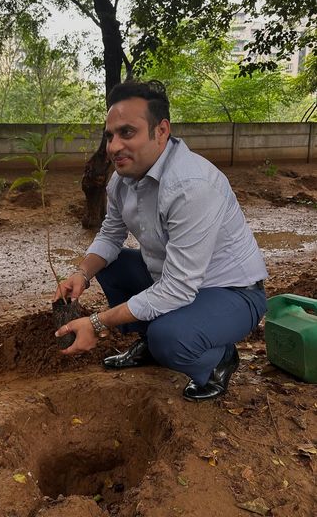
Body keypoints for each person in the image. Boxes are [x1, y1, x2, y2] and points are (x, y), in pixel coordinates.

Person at [54, 79, 267, 401]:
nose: (113, 147)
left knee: (170, 338)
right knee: (109, 267)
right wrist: (82, 273)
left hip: (231, 292)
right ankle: (149, 342)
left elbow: (180, 287)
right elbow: (111, 234)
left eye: (127, 133)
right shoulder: (123, 180)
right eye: (110, 135)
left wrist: (97, 323)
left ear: (161, 131)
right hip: (174, 278)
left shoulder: (191, 186)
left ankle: (218, 360)